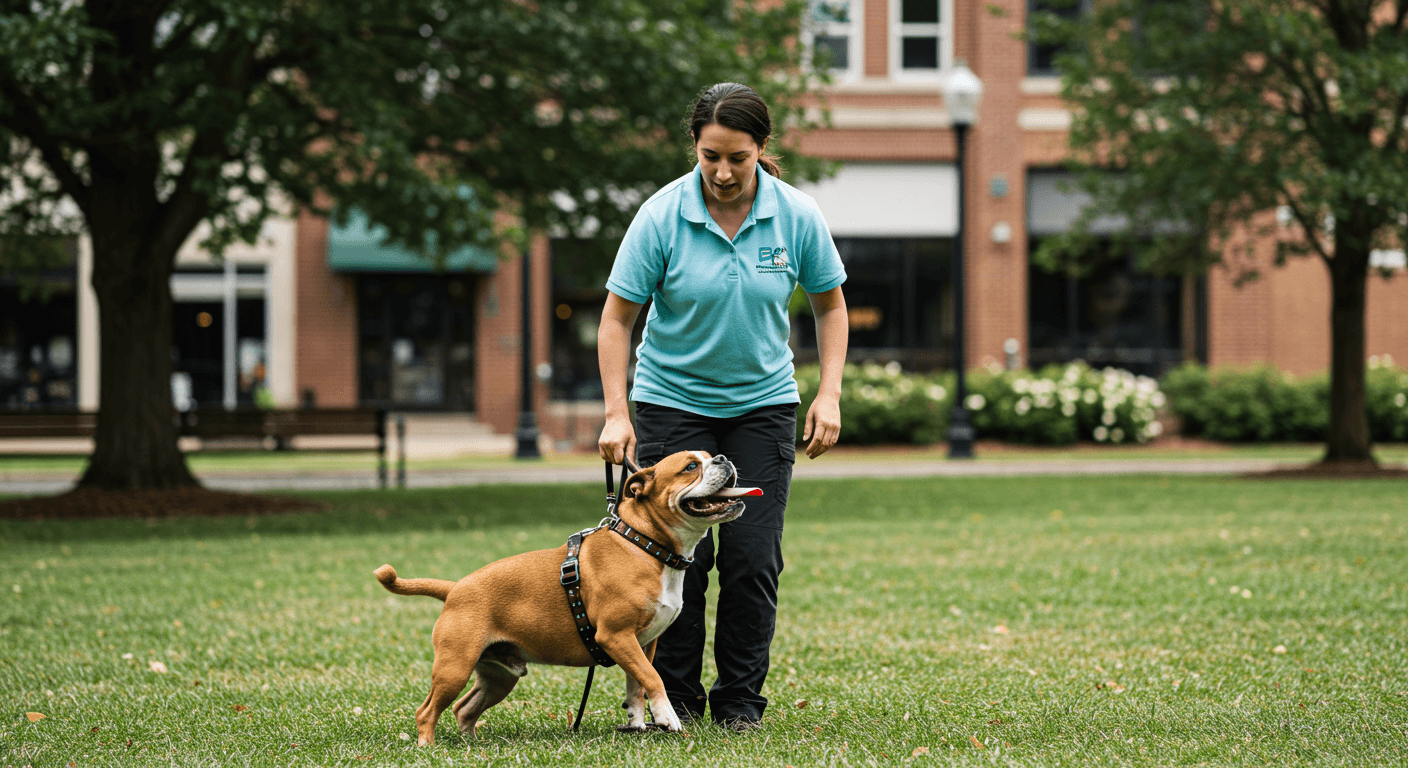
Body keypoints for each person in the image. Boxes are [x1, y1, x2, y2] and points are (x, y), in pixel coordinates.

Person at [597, 82, 849, 731]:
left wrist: (829, 392)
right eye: (711, 156)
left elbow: (830, 304)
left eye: (737, 156)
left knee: (752, 558)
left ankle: (740, 701)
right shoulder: (661, 215)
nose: (724, 171)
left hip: (761, 408)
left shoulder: (795, 214)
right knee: (679, 558)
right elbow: (617, 320)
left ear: (761, 149)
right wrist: (616, 412)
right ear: (695, 148)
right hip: (672, 404)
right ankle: (672, 696)